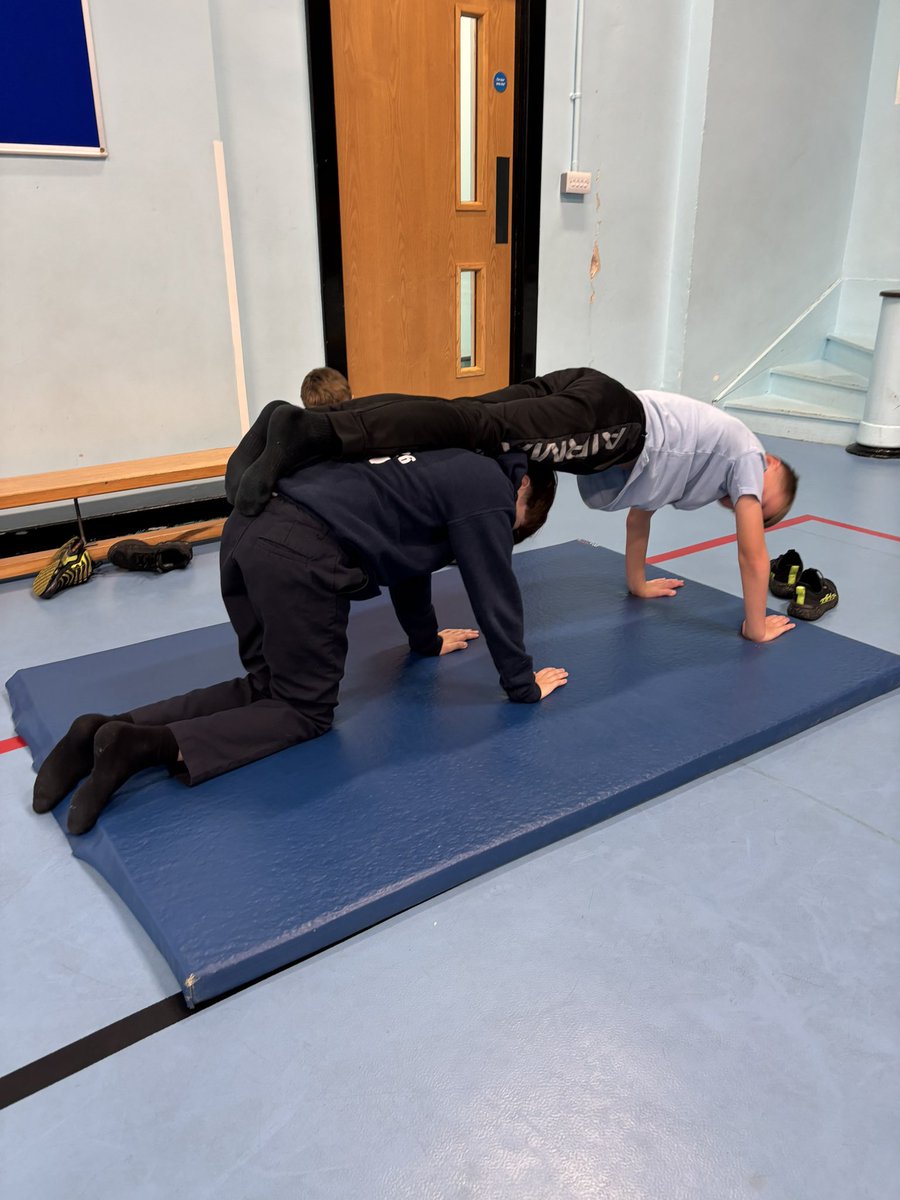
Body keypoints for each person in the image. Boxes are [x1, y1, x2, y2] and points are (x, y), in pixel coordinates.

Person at [33, 449, 565, 835]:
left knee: (267, 687)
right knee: (304, 711)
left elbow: (411, 562)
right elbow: (495, 590)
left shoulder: (444, 459)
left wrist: (426, 640)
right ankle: (144, 746)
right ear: (523, 489)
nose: (508, 533)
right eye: (518, 525)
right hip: (299, 553)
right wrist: (522, 684)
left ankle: (103, 728)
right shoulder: (489, 492)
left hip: (246, 527)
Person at [226, 367, 799, 645]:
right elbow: (754, 557)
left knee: (461, 421)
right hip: (613, 418)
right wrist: (754, 625)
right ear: (770, 466)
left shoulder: (706, 458)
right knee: (473, 424)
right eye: (764, 506)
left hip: (603, 403)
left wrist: (638, 583)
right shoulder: (747, 452)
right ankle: (315, 430)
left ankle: (310, 430)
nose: (749, 509)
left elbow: (640, 511)